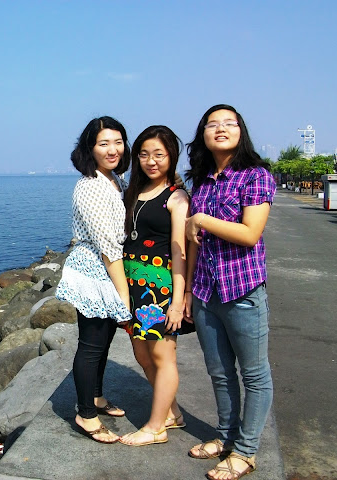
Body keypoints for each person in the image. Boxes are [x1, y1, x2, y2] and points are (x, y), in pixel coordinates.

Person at [184, 104, 275, 480]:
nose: (220, 128)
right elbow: (194, 242)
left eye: (229, 123)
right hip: (206, 292)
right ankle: (226, 437)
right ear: (203, 135)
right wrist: (188, 291)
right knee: (220, 373)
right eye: (212, 124)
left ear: (241, 131)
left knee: (254, 374)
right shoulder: (202, 181)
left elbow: (250, 233)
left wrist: (202, 219)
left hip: (243, 292)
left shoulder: (255, 175)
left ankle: (246, 451)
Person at [56, 116, 132, 444]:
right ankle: (85, 414)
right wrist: (124, 297)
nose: (112, 149)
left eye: (118, 142)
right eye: (104, 143)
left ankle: (97, 397)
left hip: (109, 269)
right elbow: (108, 246)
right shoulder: (90, 186)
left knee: (104, 341)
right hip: (95, 271)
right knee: (91, 344)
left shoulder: (115, 179)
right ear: (90, 148)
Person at [117, 125, 193, 447]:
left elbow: (180, 252)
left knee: (163, 357)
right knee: (142, 355)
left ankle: (155, 427)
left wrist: (178, 301)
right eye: (144, 154)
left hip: (159, 289)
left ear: (171, 156)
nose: (151, 161)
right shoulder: (133, 193)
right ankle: (172, 413)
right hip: (133, 287)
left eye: (159, 154)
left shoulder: (176, 197)